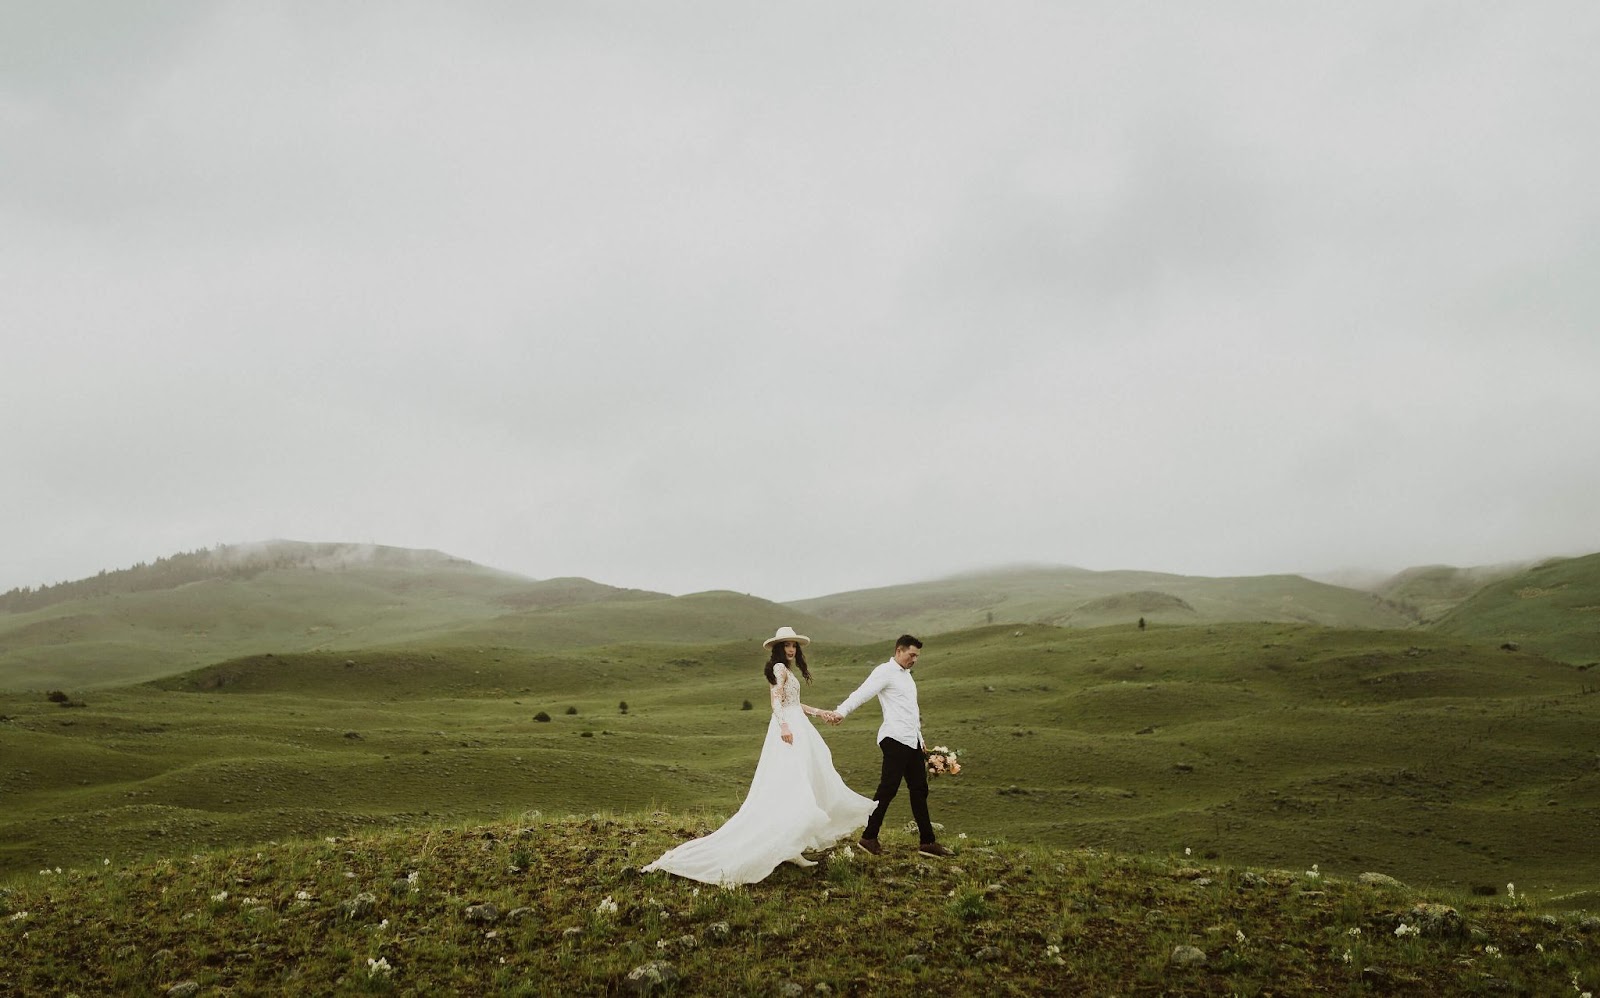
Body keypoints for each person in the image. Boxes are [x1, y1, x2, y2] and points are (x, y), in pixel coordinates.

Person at [641, 626, 876, 885]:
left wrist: (820, 712)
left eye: (794, 645)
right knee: (794, 783)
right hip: (789, 730)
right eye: (786, 645)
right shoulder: (778, 669)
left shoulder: (788, 670)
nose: (791, 649)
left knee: (801, 781)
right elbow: (776, 702)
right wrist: (783, 726)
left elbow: (794, 704)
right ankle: (789, 845)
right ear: (778, 648)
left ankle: (792, 845)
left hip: (799, 725)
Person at [823, 634, 952, 858]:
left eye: (917, 656)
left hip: (911, 742)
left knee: (920, 789)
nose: (915, 659)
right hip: (894, 739)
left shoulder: (907, 677)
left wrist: (921, 742)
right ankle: (869, 837)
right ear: (899, 651)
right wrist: (841, 711)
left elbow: (910, 712)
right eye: (912, 655)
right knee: (888, 788)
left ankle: (927, 842)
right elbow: (862, 693)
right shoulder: (885, 671)